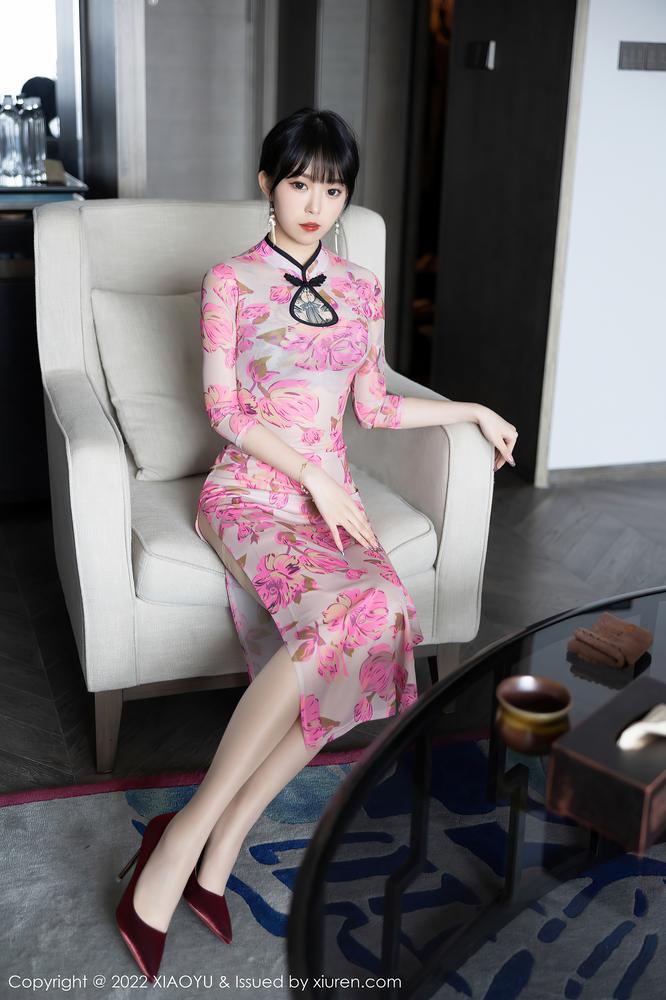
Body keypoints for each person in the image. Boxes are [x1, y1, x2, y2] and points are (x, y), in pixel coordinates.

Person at [114, 106, 518, 980]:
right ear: (268, 183)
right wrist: (315, 475)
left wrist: (474, 410)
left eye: (333, 190)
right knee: (339, 622)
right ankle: (180, 840)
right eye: (300, 184)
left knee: (379, 616)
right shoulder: (230, 281)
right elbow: (224, 410)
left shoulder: (361, 287)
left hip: (328, 502)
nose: (315, 205)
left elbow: (373, 405)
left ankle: (222, 844)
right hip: (251, 494)